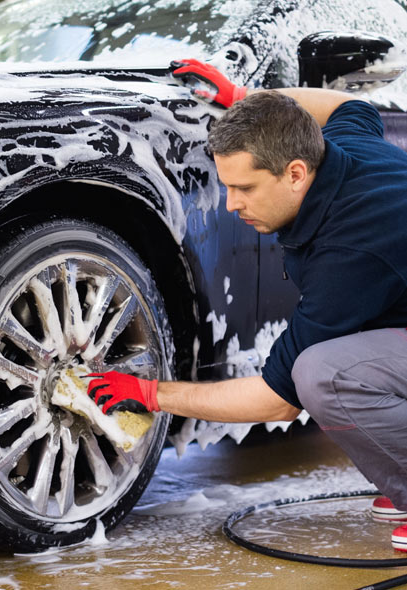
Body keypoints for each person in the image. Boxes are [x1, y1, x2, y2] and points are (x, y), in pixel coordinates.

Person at [86, 58, 407, 552]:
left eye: (245, 188)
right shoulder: (342, 146)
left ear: (297, 173)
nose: (232, 205)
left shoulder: (350, 252)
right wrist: (244, 97)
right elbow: (351, 104)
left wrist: (151, 394)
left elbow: (276, 397)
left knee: (323, 373)